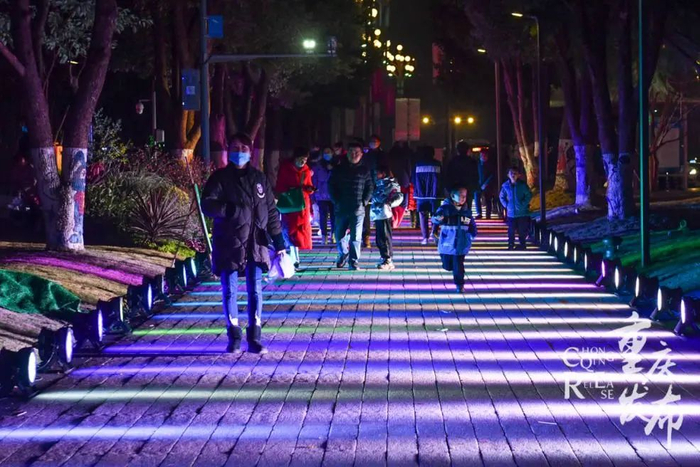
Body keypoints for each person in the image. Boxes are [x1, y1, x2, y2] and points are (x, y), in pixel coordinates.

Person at [201, 133, 286, 354]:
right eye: (235, 147)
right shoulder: (220, 178)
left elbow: (271, 212)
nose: (239, 152)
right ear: (229, 150)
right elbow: (207, 204)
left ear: (250, 151)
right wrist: (228, 210)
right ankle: (234, 336)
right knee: (230, 290)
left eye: (244, 148)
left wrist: (279, 243)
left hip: (255, 244)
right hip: (229, 243)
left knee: (255, 290)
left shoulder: (259, 179)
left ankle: (255, 337)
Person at [329, 141, 373, 270]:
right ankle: (343, 253)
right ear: (347, 153)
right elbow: (331, 185)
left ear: (361, 154)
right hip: (341, 207)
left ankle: (353, 261)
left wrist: (364, 201)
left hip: (358, 208)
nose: (354, 154)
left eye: (356, 152)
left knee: (356, 237)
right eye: (351, 152)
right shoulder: (339, 169)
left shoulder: (364, 170)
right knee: (339, 235)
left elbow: (370, 186)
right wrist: (336, 200)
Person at [432, 186, 478, 293]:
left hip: (461, 243)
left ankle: (459, 284)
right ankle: (450, 267)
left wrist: (472, 234)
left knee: (458, 264)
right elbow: (435, 219)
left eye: (465, 196)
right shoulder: (445, 209)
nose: (463, 198)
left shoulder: (466, 211)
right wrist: (437, 219)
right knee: (447, 265)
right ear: (453, 196)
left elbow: (472, 224)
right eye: (461, 195)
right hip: (447, 243)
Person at [276, 147, 315, 268]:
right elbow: (280, 186)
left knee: (300, 232)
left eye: (305, 159)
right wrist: (292, 190)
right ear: (295, 158)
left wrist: (310, 189)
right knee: (290, 231)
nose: (303, 162)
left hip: (302, 206)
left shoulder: (306, 171)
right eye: (301, 159)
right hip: (290, 205)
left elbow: (309, 185)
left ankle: (295, 258)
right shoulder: (286, 169)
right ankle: (294, 259)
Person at [370, 165, 404, 270]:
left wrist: (388, 203)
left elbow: (399, 197)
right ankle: (384, 258)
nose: (375, 175)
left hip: (384, 214)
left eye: (377, 173)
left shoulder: (390, 185)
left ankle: (388, 260)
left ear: (383, 173)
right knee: (379, 239)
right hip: (377, 214)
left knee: (384, 237)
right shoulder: (378, 184)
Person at [413, 145, 442, 245]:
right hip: (434, 194)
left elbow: (413, 179)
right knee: (436, 214)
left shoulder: (418, 165)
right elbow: (441, 178)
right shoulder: (437, 164)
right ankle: (434, 233)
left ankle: (425, 237)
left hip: (421, 195)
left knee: (422, 216)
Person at [499, 166, 533, 250]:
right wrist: (506, 205)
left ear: (519, 175)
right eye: (511, 173)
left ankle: (522, 244)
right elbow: (501, 197)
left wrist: (523, 204)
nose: (513, 175)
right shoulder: (505, 186)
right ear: (508, 175)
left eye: (515, 173)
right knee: (511, 230)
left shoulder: (522, 185)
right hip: (511, 213)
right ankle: (511, 244)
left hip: (522, 213)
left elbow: (528, 195)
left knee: (522, 230)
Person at [362, 134, 385, 247]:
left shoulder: (383, 155)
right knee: (366, 213)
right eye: (372, 141)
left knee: (380, 212)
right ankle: (366, 237)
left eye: (375, 141)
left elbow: (386, 170)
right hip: (367, 186)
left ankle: (380, 238)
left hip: (379, 186)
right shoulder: (366, 155)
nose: (373, 143)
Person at [444, 141, 479, 213]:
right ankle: (467, 218)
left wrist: (449, 188)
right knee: (468, 208)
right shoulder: (472, 162)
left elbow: (448, 176)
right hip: (468, 187)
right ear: (467, 150)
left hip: (455, 188)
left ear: (457, 150)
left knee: (455, 207)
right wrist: (474, 187)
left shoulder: (453, 161)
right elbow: (475, 176)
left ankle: (457, 219)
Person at [312, 146, 336, 244]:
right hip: (321, 195)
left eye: (328, 152)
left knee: (334, 216)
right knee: (323, 216)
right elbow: (314, 180)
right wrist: (313, 195)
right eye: (325, 152)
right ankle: (324, 236)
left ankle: (334, 235)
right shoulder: (318, 166)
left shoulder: (337, 164)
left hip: (334, 194)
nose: (327, 154)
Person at [387, 141, 413, 228]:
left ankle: (393, 221)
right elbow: (408, 167)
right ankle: (396, 221)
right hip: (403, 180)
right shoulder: (406, 154)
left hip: (392, 180)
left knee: (392, 199)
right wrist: (409, 178)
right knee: (402, 201)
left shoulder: (390, 154)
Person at [475, 148, 498, 219]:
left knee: (488, 199)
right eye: (481, 155)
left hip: (488, 185)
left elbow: (492, 175)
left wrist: (486, 183)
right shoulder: (477, 164)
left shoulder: (490, 164)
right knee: (477, 198)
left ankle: (488, 214)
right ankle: (479, 213)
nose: (483, 157)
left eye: (484, 155)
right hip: (478, 184)